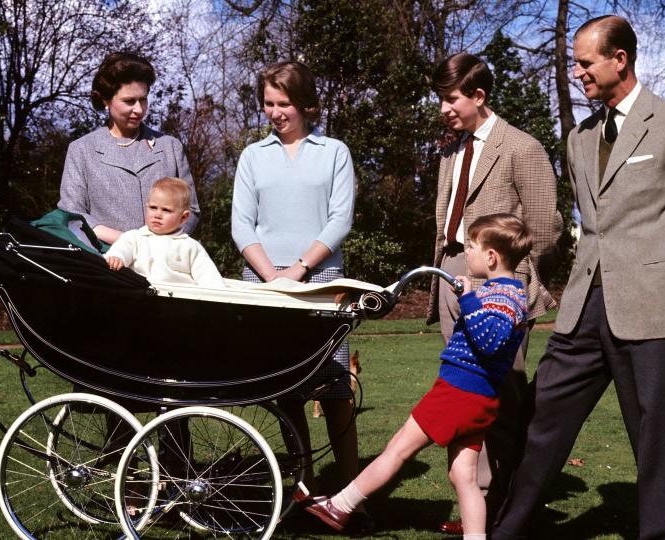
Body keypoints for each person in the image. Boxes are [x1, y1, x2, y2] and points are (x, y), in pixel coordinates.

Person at [491, 15, 665, 540]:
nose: (577, 73)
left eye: (585, 62)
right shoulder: (579, 138)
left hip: (654, 306)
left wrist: (664, 269)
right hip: (583, 307)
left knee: (656, 436)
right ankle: (507, 529)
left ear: (619, 59)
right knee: (540, 419)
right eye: (575, 63)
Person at [300, 214, 531, 538]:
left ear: (491, 257)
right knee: (463, 476)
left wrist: (468, 299)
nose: (468, 254)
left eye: (473, 248)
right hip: (479, 398)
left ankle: (340, 505)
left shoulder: (503, 297)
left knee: (397, 449)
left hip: (459, 392)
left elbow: (489, 340)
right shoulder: (507, 293)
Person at [427, 52, 562, 535]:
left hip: (498, 287)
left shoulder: (521, 148)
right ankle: (475, 504)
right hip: (451, 276)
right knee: (462, 390)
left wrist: (515, 284)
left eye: (451, 98)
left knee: (504, 392)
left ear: (478, 96)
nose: (443, 107)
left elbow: (545, 227)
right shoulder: (450, 151)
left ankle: (511, 502)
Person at [230, 61, 363, 520]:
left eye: (283, 103)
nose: (275, 112)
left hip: (324, 283)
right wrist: (273, 277)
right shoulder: (252, 156)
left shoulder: (334, 152)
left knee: (335, 388)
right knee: (285, 389)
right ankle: (304, 488)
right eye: (268, 103)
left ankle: (350, 493)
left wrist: (301, 269)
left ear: (306, 103)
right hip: (266, 285)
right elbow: (241, 225)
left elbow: (339, 220)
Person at [58, 51, 199, 244]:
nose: (139, 109)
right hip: (105, 262)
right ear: (106, 101)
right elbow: (73, 215)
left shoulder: (170, 147)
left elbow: (191, 209)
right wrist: (131, 243)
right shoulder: (81, 150)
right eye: (129, 101)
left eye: (143, 99)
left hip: (164, 262)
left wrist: (165, 244)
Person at [105, 178, 224, 289]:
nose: (157, 215)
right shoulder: (135, 237)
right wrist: (117, 257)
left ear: (183, 217)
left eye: (166, 210)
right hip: (140, 295)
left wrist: (218, 295)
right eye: (153, 207)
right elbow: (122, 249)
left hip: (178, 300)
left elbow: (209, 277)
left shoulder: (190, 246)